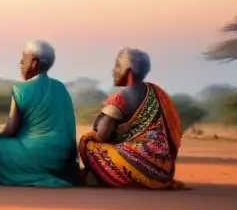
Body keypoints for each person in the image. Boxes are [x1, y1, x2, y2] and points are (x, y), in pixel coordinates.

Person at [0, 41, 78, 187]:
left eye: (24, 59)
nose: (21, 63)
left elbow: (10, 130)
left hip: (36, 156)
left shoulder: (20, 89)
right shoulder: (60, 87)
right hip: (63, 159)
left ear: (34, 63)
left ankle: (21, 174)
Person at [79, 48, 184, 189]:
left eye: (117, 65)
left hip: (141, 163)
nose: (113, 71)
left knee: (88, 143)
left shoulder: (123, 95)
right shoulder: (155, 91)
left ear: (128, 70)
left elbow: (102, 134)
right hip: (164, 168)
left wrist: (106, 111)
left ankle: (99, 176)